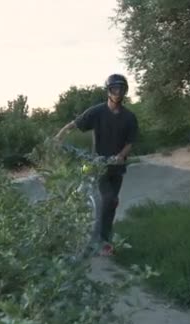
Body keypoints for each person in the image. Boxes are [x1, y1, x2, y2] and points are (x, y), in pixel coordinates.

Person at [54, 74, 139, 256]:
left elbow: (130, 142)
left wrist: (121, 156)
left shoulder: (129, 117)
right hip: (97, 164)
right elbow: (74, 124)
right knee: (106, 199)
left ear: (125, 91)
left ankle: (105, 240)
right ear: (108, 91)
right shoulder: (97, 111)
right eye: (114, 88)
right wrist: (59, 137)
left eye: (121, 89)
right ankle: (96, 240)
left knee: (112, 203)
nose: (117, 92)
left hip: (116, 167)